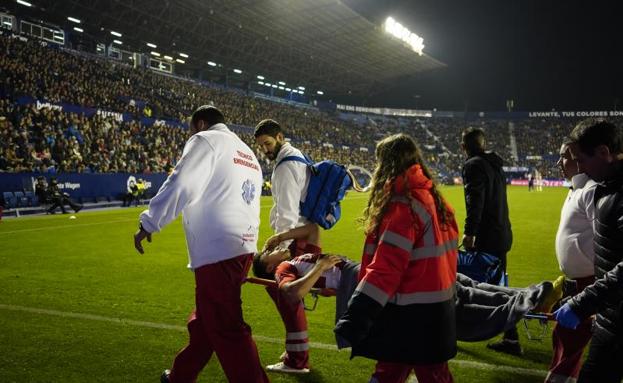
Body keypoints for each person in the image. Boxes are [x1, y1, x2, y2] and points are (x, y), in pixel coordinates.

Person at [133, 105, 268, 383]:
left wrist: (150, 221)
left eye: (190, 129)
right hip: (241, 246)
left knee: (226, 327)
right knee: (207, 322)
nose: (189, 134)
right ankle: (180, 377)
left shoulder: (206, 140)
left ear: (201, 123)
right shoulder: (247, 152)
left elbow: (181, 181)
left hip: (217, 249)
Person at [334, 133, 458, 383]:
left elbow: (386, 269)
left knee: (390, 372)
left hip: (409, 314)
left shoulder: (405, 205)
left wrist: (357, 314)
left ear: (388, 164)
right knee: (431, 374)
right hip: (438, 309)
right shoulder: (433, 196)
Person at [554, 119, 623, 383]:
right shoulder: (607, 187)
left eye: (581, 160)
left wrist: (585, 302)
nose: (579, 168)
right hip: (610, 318)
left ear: (604, 153)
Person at [254, 118, 314, 373]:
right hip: (302, 235)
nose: (265, 149)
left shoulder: (285, 166)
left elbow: (287, 213)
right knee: (292, 299)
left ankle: (296, 360)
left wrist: (282, 249)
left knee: (287, 299)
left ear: (280, 136)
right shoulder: (296, 158)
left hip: (294, 239)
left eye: (267, 143)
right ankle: (294, 351)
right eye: (261, 146)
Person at [460, 127, 518, 355]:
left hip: (487, 238)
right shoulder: (495, 165)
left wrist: (469, 232)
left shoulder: (473, 165)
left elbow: (476, 200)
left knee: (473, 284)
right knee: (498, 286)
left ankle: (462, 328)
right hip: (502, 234)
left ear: (464, 146)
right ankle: (511, 337)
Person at [544, 137, 597, 383]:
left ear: (581, 158)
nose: (558, 162)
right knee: (566, 335)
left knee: (570, 335)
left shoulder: (591, 190)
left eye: (565, 156)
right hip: (578, 281)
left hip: (593, 282)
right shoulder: (576, 187)